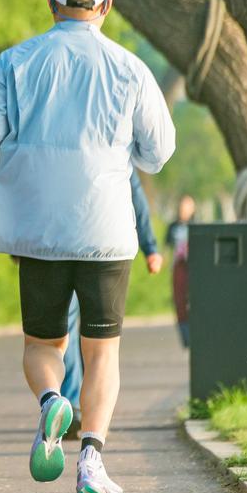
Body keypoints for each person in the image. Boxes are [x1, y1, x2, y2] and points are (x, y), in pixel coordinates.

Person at [0, 0, 175, 493]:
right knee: (102, 352)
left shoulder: (15, 62)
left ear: (51, 3)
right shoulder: (130, 68)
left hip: (38, 227)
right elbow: (158, 152)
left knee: (42, 343)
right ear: (106, 6)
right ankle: (92, 463)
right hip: (106, 229)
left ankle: (51, 401)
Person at [61, 172, 162, 439]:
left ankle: (70, 404)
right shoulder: (114, 141)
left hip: (57, 245)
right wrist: (150, 247)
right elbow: (135, 194)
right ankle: (84, 413)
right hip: (103, 246)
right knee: (101, 341)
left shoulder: (49, 133)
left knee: (66, 327)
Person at [165, 195, 195, 348]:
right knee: (179, 302)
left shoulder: (196, 226)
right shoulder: (173, 227)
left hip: (194, 267)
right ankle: (185, 338)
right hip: (178, 267)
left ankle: (195, 334)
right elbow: (167, 249)